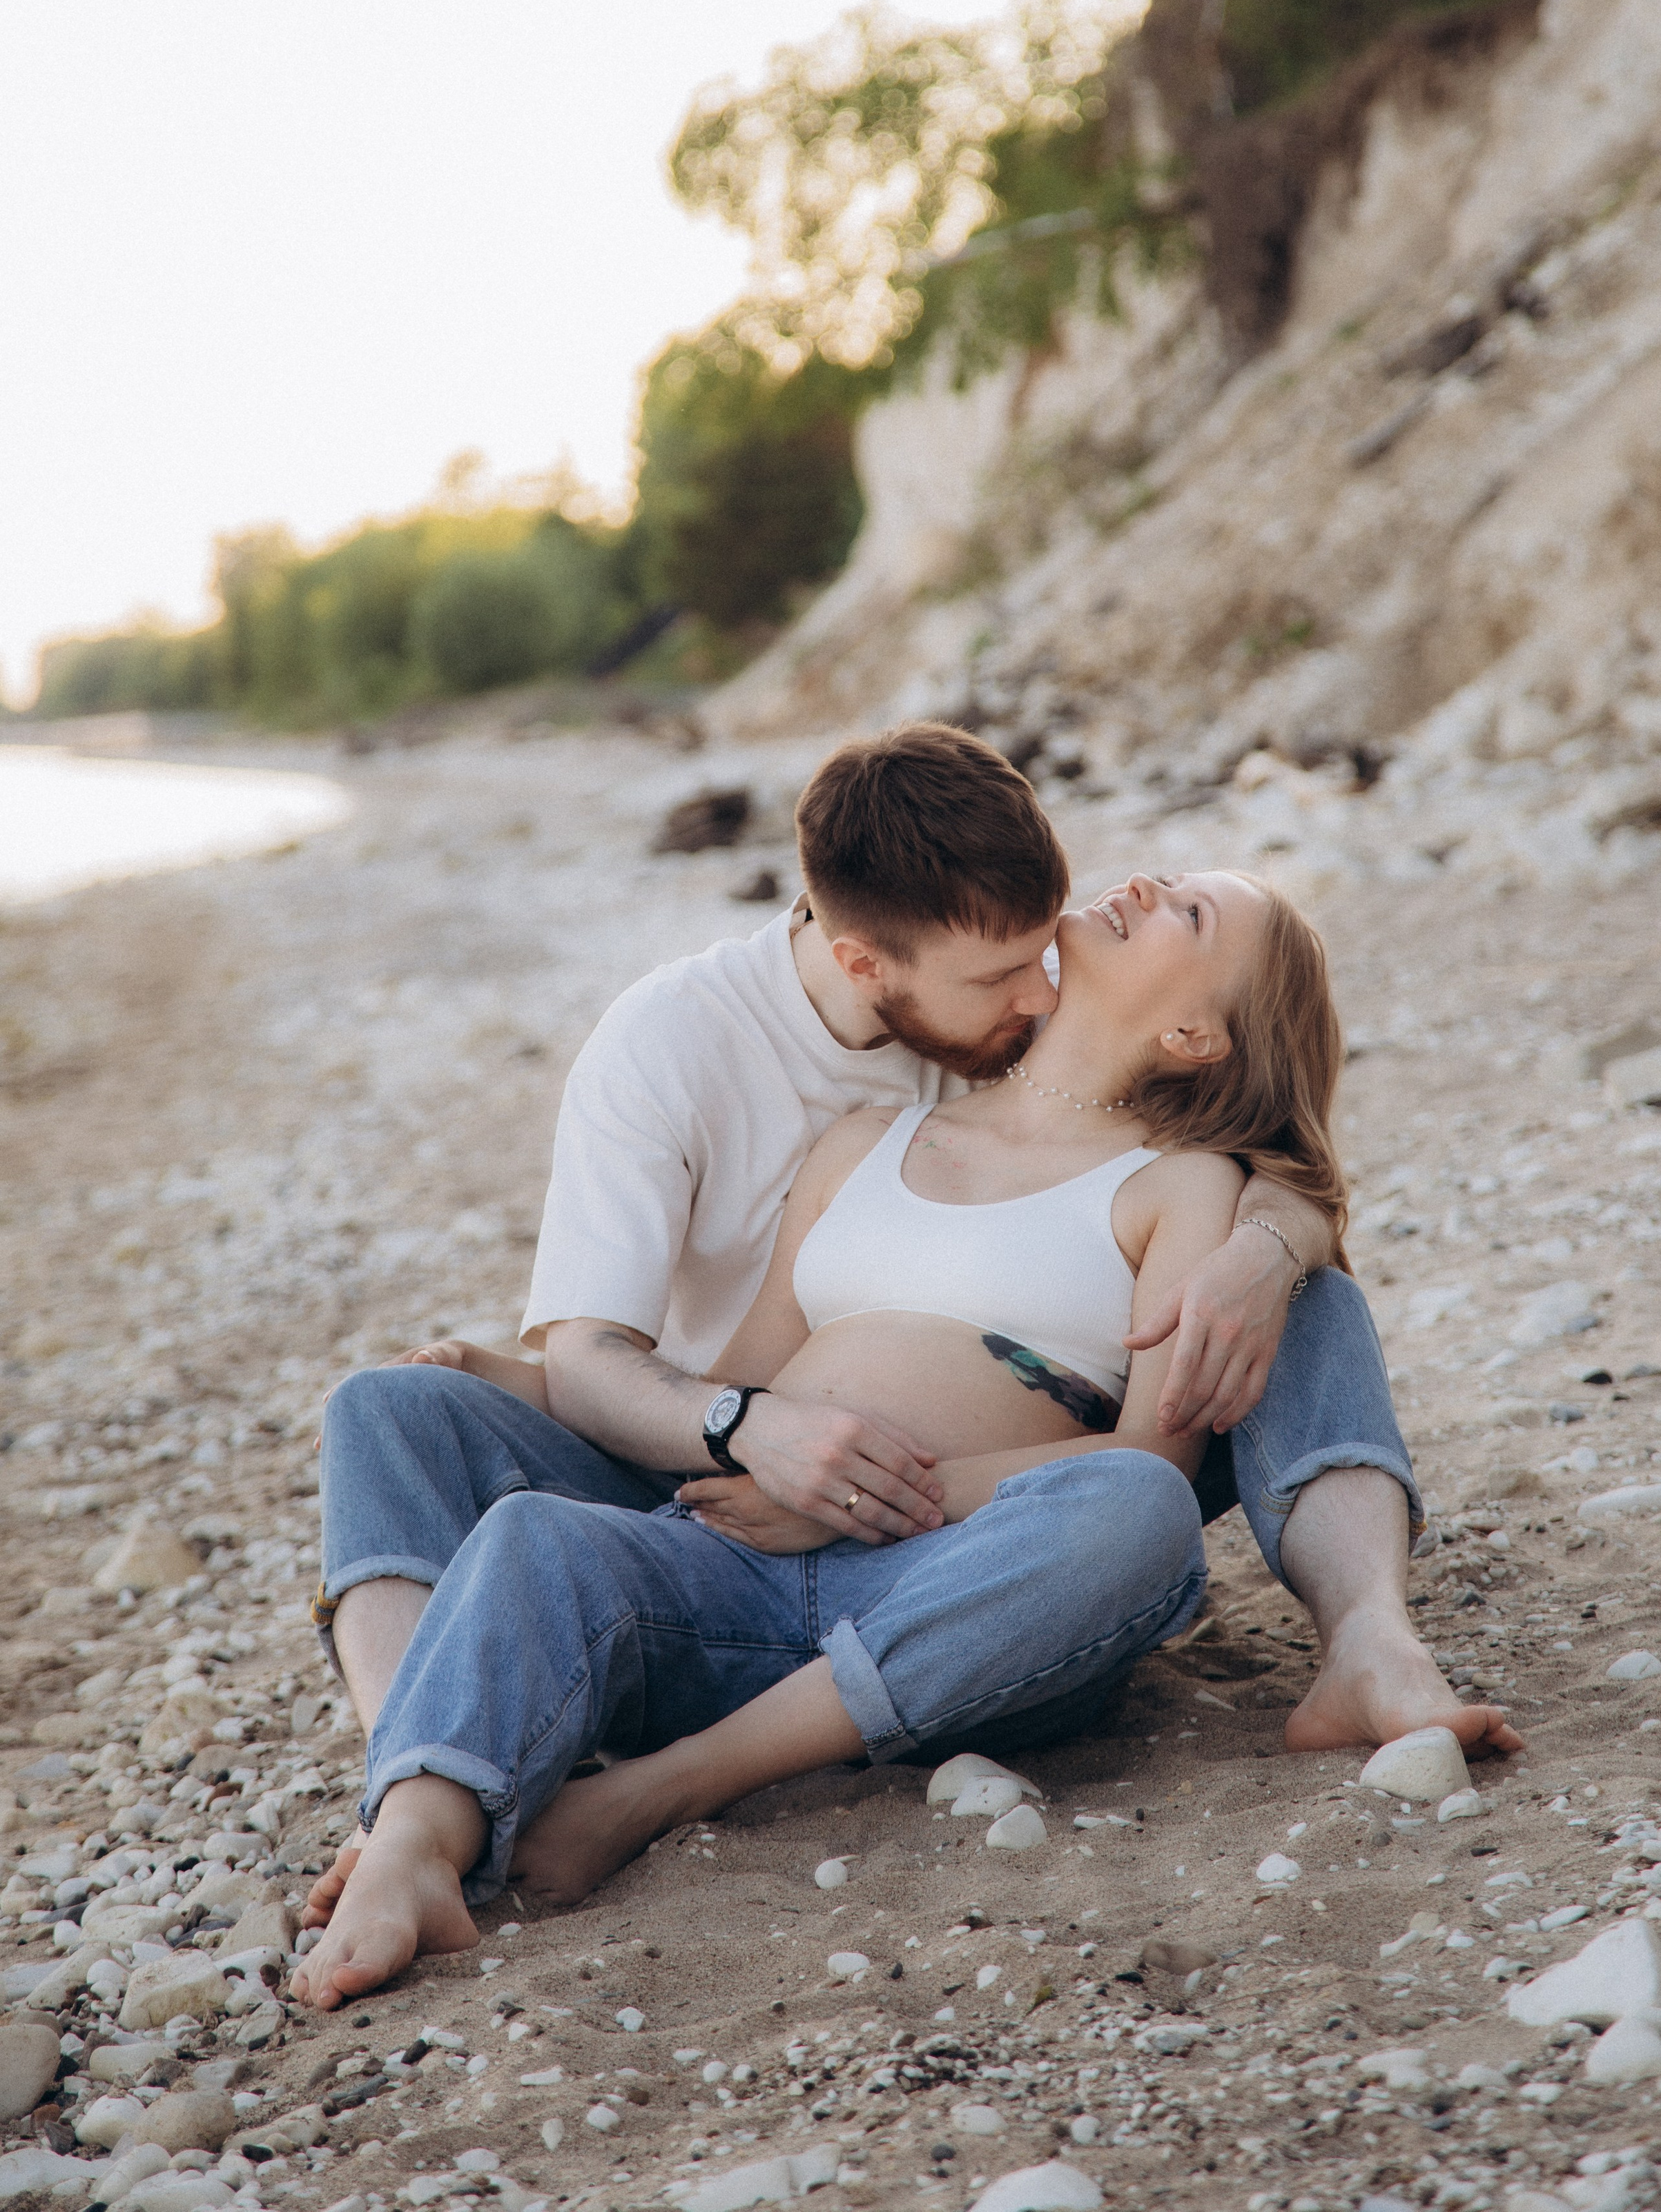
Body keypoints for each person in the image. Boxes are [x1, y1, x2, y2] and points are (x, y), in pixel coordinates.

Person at [293, 859, 1516, 2011]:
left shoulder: (1176, 1187)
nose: (1141, 882)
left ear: (1195, 1036)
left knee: (1138, 1523)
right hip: (728, 1563)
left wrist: (871, 1495)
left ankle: (666, 1786)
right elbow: (734, 1386)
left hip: (944, 1593)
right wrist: (512, 1378)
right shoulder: (865, 1139)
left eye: (1189, 915)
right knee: (497, 1505)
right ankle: (409, 1833)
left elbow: (1151, 1461)